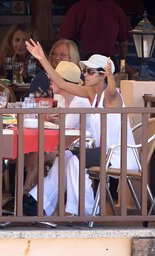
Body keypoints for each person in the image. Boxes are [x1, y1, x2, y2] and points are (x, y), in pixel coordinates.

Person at [24, 39, 138, 216]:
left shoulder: (110, 97)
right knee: (69, 157)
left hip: (118, 155)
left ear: (102, 76)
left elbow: (112, 91)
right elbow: (61, 83)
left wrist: (110, 76)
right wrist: (42, 59)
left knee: (76, 160)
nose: (85, 74)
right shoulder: (89, 92)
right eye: (84, 70)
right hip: (102, 152)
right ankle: (56, 205)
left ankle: (83, 212)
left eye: (90, 71)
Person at [23, 61, 91, 194]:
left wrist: (53, 120)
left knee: (36, 156)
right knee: (33, 154)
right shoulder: (61, 98)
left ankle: (27, 195)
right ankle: (34, 195)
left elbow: (66, 129)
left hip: (80, 148)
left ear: (63, 83)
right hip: (65, 145)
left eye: (52, 78)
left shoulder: (79, 102)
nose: (50, 81)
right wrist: (52, 120)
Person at [59, 0, 132, 71]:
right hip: (107, 63)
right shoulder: (115, 9)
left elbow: (64, 39)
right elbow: (124, 44)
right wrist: (122, 68)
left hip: (83, 62)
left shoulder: (78, 8)